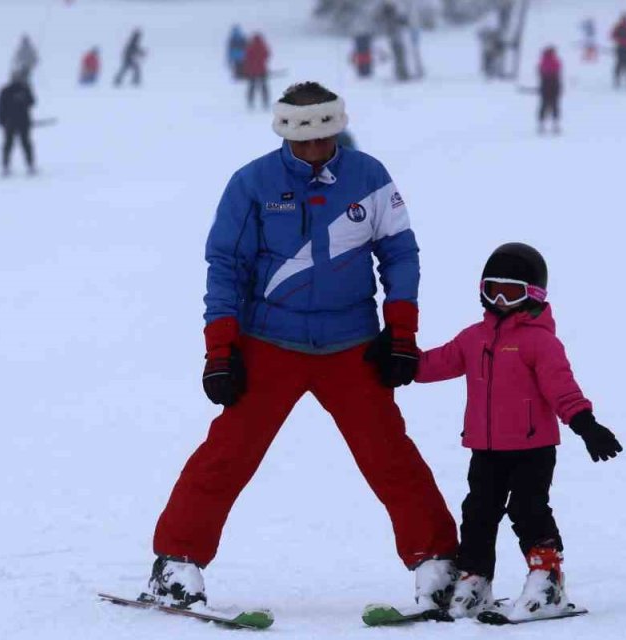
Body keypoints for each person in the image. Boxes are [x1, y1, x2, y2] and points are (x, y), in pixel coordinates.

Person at [147, 81, 459, 612]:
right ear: (285, 133)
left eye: (325, 138)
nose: (315, 150)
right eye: (303, 141)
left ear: (338, 129)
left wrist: (401, 332)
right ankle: (176, 564)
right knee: (228, 454)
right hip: (271, 342)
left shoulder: (370, 177)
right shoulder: (251, 183)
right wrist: (220, 351)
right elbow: (226, 267)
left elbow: (400, 254)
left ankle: (439, 564)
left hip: (351, 345)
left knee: (389, 455)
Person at [415, 242, 623, 620]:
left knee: (528, 510)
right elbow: (435, 364)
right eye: (492, 289)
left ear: (534, 295)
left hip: (533, 449)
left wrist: (585, 424)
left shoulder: (540, 342)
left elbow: (562, 388)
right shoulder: (472, 338)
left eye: (511, 292)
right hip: (486, 448)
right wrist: (399, 362)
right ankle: (475, 578)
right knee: (478, 512)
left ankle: (548, 579)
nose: (499, 299)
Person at [0, 71, 37, 176]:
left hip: (24, 121)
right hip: (10, 122)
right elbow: (0, 106)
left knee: (26, 144)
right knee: (8, 144)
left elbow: (32, 102)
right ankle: (5, 166)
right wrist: (1, 120)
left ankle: (30, 165)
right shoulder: (5, 90)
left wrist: (24, 98)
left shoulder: (25, 89)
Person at [537, 46, 562, 135]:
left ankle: (541, 125)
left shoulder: (542, 62)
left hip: (545, 85)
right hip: (554, 85)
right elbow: (558, 72)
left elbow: (539, 72)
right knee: (555, 105)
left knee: (544, 105)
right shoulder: (556, 61)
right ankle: (555, 125)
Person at [243, 33, 271, 110]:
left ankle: (250, 102)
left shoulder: (250, 47)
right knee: (264, 86)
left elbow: (247, 58)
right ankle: (265, 101)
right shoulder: (263, 46)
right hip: (262, 69)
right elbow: (267, 55)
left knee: (252, 87)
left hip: (252, 70)